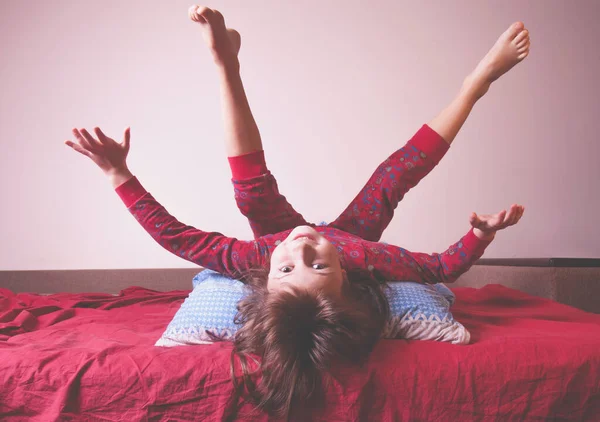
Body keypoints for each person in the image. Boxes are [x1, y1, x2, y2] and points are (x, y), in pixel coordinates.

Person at [65, 5, 529, 419]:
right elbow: (439, 268)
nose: (303, 248)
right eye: (319, 264)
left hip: (275, 236)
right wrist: (481, 235)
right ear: (346, 274)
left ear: (265, 278)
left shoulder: (264, 253)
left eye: (289, 269)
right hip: (353, 237)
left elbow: (176, 237)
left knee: (250, 195)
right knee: (391, 179)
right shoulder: (370, 260)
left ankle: (226, 63)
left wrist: (118, 175)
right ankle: (476, 84)